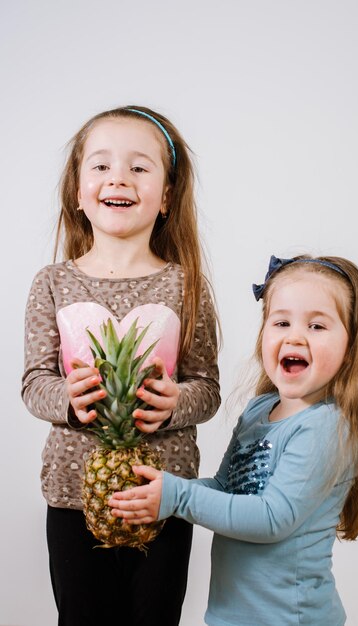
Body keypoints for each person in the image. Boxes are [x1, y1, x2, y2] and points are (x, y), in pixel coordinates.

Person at [109, 254, 358, 626]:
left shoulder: (328, 428)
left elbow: (270, 519)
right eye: (281, 322)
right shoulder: (260, 410)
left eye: (317, 326)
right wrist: (161, 491)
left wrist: (177, 496)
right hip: (231, 616)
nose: (295, 335)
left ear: (352, 345)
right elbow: (226, 489)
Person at [21, 105, 221, 626]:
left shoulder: (186, 285)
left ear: (167, 197)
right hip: (72, 494)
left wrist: (178, 403)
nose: (119, 178)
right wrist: (67, 398)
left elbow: (207, 386)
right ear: (78, 191)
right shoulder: (52, 283)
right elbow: (34, 381)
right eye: (102, 165)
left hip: (164, 493)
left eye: (139, 167)